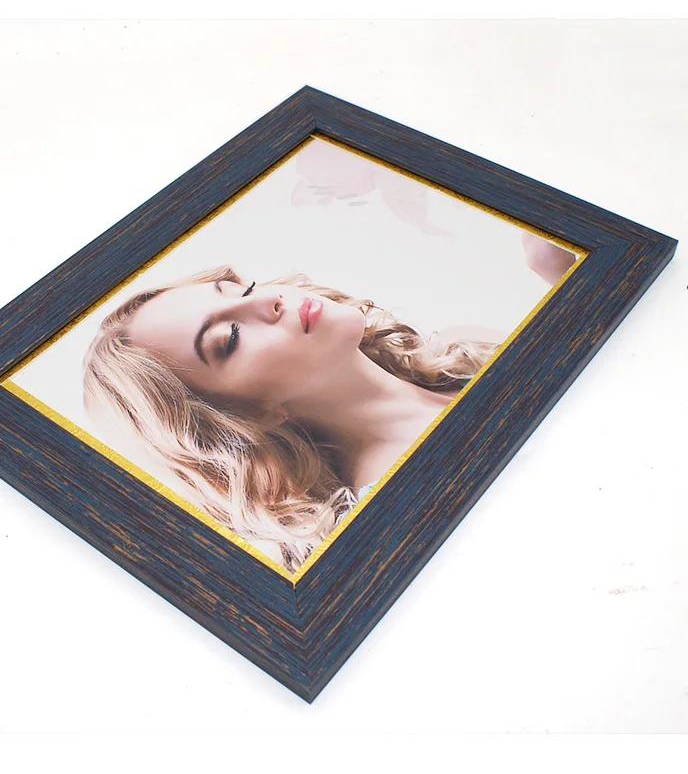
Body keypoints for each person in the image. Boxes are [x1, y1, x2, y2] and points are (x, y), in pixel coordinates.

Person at [83, 240, 575, 573]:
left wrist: (570, 278)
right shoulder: (388, 521)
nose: (268, 302)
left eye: (241, 290)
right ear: (246, 417)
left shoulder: (467, 351)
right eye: (229, 337)